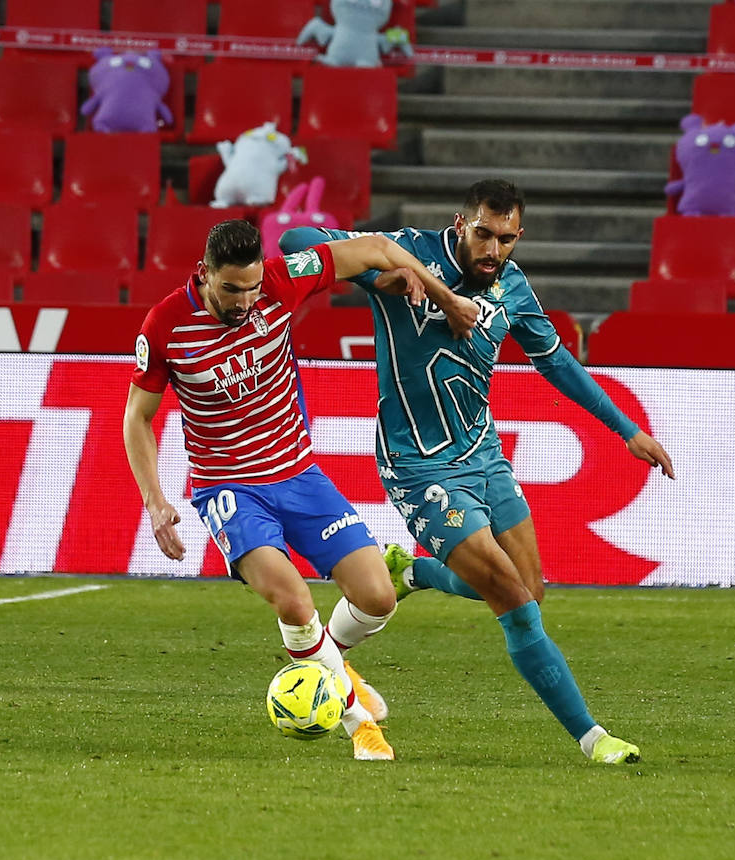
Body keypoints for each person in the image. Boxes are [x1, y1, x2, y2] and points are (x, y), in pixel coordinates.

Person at [281, 180, 675, 765]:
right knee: (514, 602)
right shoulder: (405, 251)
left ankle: (413, 572)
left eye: (506, 239)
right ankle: (594, 740)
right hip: (418, 463)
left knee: (529, 590)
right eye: (483, 234)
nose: (493, 250)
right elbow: (296, 240)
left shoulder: (512, 288)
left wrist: (628, 431)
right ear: (461, 222)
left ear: (520, 237)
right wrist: (397, 276)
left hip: (484, 454)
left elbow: (558, 362)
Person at [123, 219, 473, 762]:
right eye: (231, 289)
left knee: (378, 597)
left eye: (253, 287)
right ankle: (359, 724)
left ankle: (327, 655)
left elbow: (378, 248)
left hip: (299, 474)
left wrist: (446, 299)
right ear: (204, 274)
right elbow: (136, 419)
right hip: (229, 489)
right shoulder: (165, 325)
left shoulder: (287, 278)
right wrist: (156, 499)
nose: (245, 302)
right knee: (292, 599)